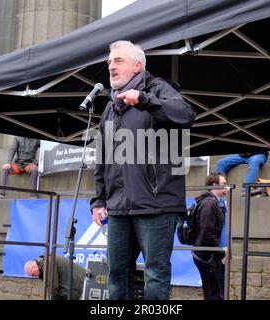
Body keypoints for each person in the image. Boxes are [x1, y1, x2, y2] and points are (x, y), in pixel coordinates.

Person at [90, 40, 195, 300]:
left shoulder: (158, 89)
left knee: (155, 276)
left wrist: (146, 100)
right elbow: (102, 156)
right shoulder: (109, 108)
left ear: (138, 66)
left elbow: (186, 114)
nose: (111, 67)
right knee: (116, 275)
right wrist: (99, 199)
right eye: (109, 62)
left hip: (156, 206)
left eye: (118, 61)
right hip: (118, 208)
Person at [193, 172, 227, 300]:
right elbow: (207, 234)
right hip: (208, 257)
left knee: (217, 293)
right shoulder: (209, 204)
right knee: (214, 295)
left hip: (212, 255)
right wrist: (221, 255)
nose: (226, 186)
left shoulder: (217, 203)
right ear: (214, 185)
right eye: (224, 184)